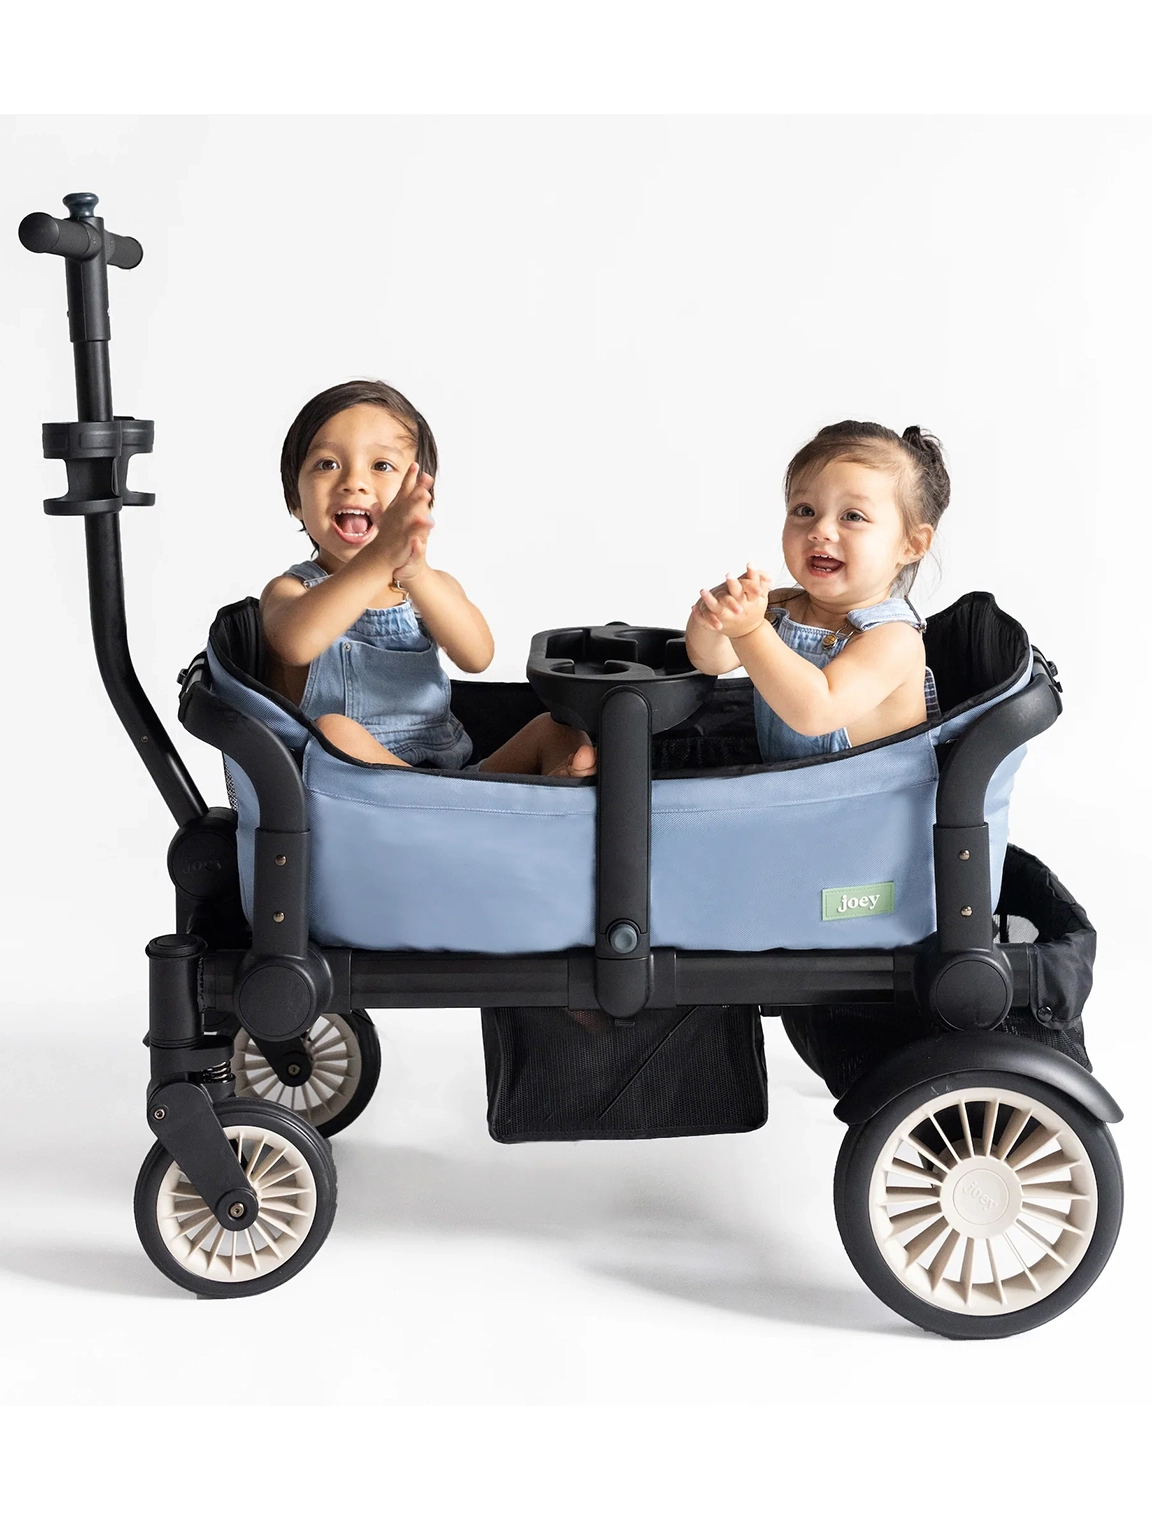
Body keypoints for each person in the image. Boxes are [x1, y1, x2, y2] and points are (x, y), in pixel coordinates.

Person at [261, 380, 596, 776]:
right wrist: (379, 557)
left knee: (556, 728)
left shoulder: (427, 587)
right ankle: (477, 813)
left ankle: (547, 802)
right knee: (333, 732)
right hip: (352, 796)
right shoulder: (292, 591)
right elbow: (298, 644)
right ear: (295, 501)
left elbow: (477, 657)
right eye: (327, 464)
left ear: (420, 500)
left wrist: (416, 573)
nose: (354, 481)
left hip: (451, 782)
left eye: (381, 466)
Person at [686, 421, 949, 759]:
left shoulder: (894, 641)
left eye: (853, 516)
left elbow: (815, 711)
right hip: (797, 799)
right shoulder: (780, 606)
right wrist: (716, 617)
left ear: (911, 545)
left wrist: (749, 630)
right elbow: (711, 661)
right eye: (805, 510)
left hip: (865, 807)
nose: (819, 530)